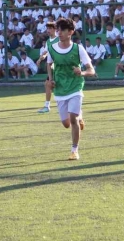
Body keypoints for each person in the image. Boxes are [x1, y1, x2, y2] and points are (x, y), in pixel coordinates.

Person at [46, 17, 95, 160]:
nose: (59, 32)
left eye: (62, 30)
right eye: (58, 30)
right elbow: (49, 64)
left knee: (72, 119)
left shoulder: (78, 49)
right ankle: (80, 116)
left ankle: (74, 151)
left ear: (71, 32)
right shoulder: (52, 48)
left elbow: (91, 70)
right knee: (66, 123)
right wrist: (51, 79)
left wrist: (83, 72)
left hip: (75, 87)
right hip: (60, 89)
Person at [37, 22, 59, 114]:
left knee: (52, 85)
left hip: (59, 66)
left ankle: (49, 106)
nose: (48, 31)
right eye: (47, 29)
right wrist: (40, 58)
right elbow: (46, 52)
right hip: (52, 67)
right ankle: (47, 106)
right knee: (48, 84)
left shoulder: (59, 39)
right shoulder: (49, 41)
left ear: (55, 29)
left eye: (50, 28)